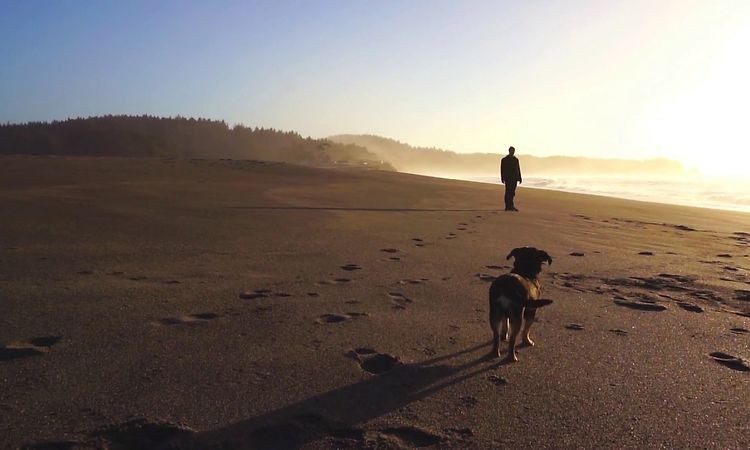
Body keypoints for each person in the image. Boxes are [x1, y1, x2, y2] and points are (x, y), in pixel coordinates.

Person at [500, 146, 522, 211]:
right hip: (508, 178)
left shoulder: (516, 159)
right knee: (508, 192)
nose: (512, 152)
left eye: (513, 151)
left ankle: (511, 205)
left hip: (514, 178)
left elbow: (518, 169)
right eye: (511, 151)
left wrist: (520, 178)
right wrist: (502, 177)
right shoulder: (504, 159)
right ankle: (507, 206)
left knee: (512, 192)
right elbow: (502, 169)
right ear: (509, 151)